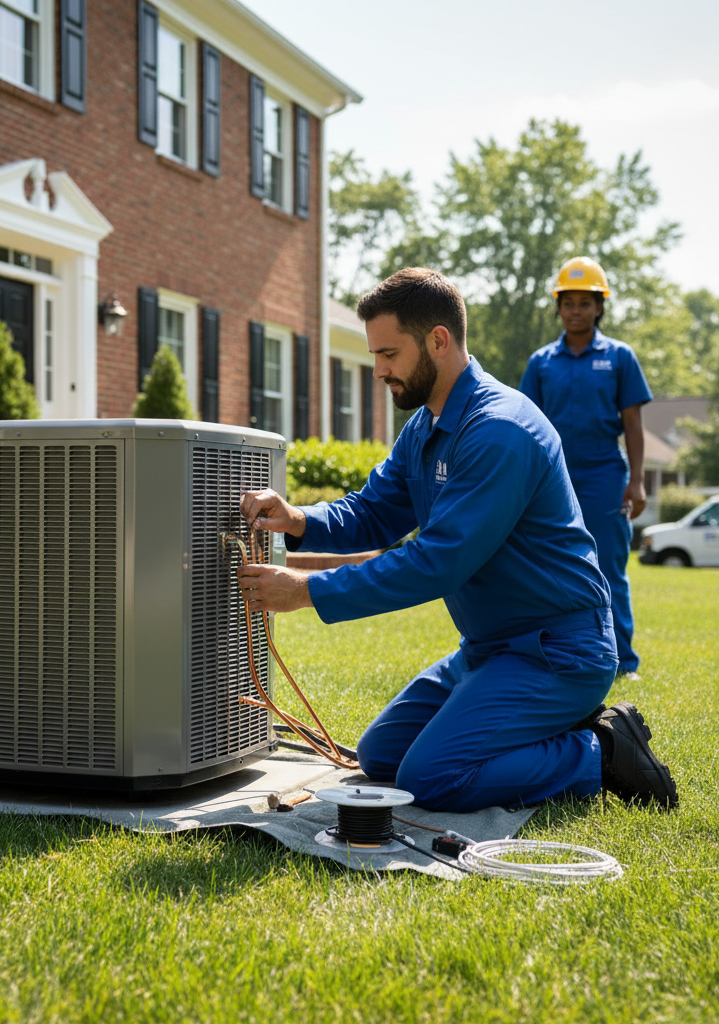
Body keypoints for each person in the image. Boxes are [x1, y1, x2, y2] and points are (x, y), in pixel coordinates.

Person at [237, 268, 677, 812]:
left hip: (560, 652)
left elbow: (436, 563)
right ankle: (537, 730)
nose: (378, 370)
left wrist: (306, 590)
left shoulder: (501, 431)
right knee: (383, 756)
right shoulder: (425, 425)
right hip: (490, 650)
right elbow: (374, 510)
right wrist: (298, 518)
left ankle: (600, 750)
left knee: (432, 778)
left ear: (438, 341)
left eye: (389, 354)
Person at [518, 257, 652, 679]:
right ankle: (553, 652)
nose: (576, 310)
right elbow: (524, 426)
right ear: (558, 307)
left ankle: (622, 660)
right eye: (568, 302)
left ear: (599, 307)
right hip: (551, 476)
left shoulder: (619, 357)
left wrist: (637, 482)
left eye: (585, 302)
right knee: (547, 565)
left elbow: (633, 423)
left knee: (609, 567)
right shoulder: (541, 362)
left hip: (604, 474)